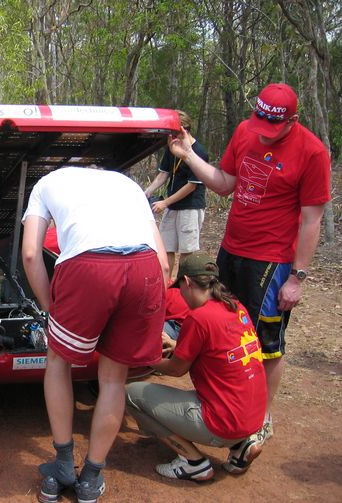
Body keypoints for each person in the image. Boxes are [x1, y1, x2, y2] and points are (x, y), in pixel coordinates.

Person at [168, 83, 331, 445]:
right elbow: (225, 183)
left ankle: (260, 420)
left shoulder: (312, 152)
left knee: (264, 342)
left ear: (293, 120)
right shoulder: (245, 131)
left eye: (275, 129)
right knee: (226, 329)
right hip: (233, 250)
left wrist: (298, 278)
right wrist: (188, 154)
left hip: (272, 262)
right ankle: (225, 403)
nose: (266, 136)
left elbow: (311, 220)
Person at [21, 165, 168, 503]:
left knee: (58, 361)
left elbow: (31, 254)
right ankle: (91, 477)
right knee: (114, 379)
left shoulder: (47, 183)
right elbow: (162, 263)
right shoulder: (127, 184)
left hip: (88, 267)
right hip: (144, 268)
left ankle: (62, 463)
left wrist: (50, 310)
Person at [126, 253, 267, 481]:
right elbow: (220, 351)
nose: (180, 294)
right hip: (253, 416)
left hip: (222, 421)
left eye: (180, 287)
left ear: (188, 282)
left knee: (131, 394)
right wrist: (175, 344)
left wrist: (144, 358)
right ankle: (242, 445)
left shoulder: (199, 318)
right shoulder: (236, 307)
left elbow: (175, 370)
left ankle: (193, 461)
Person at [144, 110, 208, 279]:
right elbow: (163, 175)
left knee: (187, 251)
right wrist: (147, 192)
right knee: (167, 248)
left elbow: (191, 186)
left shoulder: (199, 152)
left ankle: (182, 288)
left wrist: (165, 203)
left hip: (190, 208)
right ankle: (166, 286)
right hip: (173, 206)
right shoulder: (172, 147)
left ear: (185, 131)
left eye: (175, 133)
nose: (172, 137)